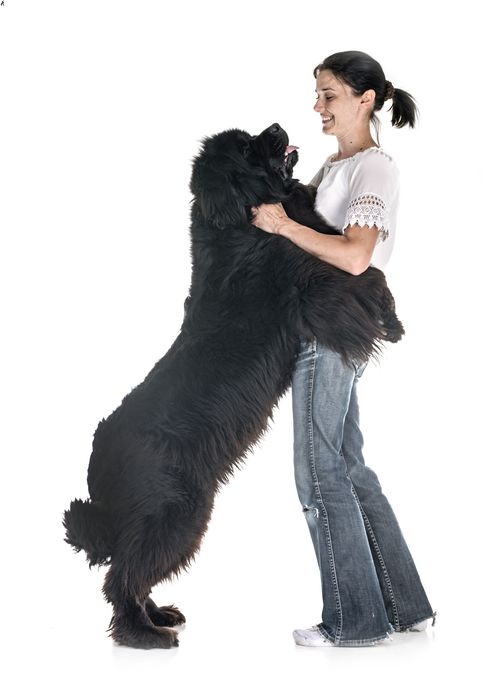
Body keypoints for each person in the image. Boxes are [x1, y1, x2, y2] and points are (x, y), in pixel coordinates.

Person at [251, 50, 436, 647]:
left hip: (330, 328)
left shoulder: (374, 170)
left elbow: (356, 255)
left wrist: (283, 226)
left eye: (330, 95)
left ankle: (355, 619)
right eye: (318, 94)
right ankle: (405, 607)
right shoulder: (336, 168)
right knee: (349, 466)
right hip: (323, 322)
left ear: (367, 100)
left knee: (318, 469)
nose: (318, 107)